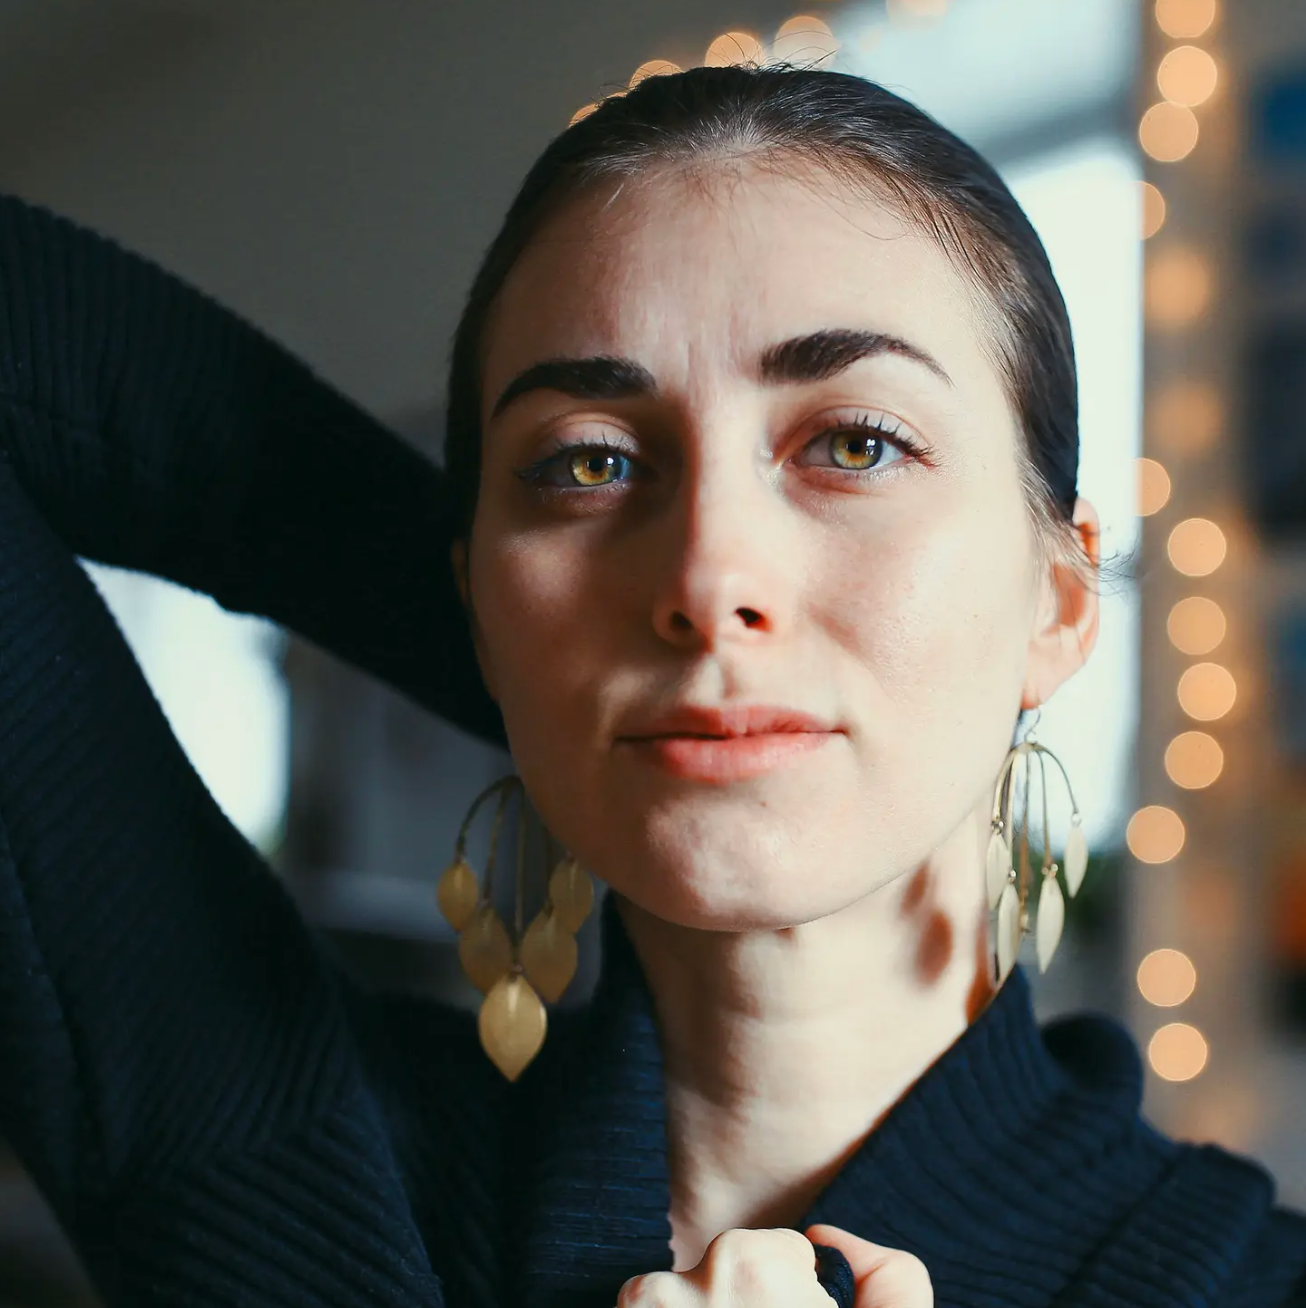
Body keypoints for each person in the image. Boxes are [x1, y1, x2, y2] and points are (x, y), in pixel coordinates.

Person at [0, 62, 1302, 1308]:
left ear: (1057, 601)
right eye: (586, 465)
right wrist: (537, 668)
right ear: (475, 594)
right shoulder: (278, 1160)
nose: (703, 570)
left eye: (852, 443)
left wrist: (595, 673)